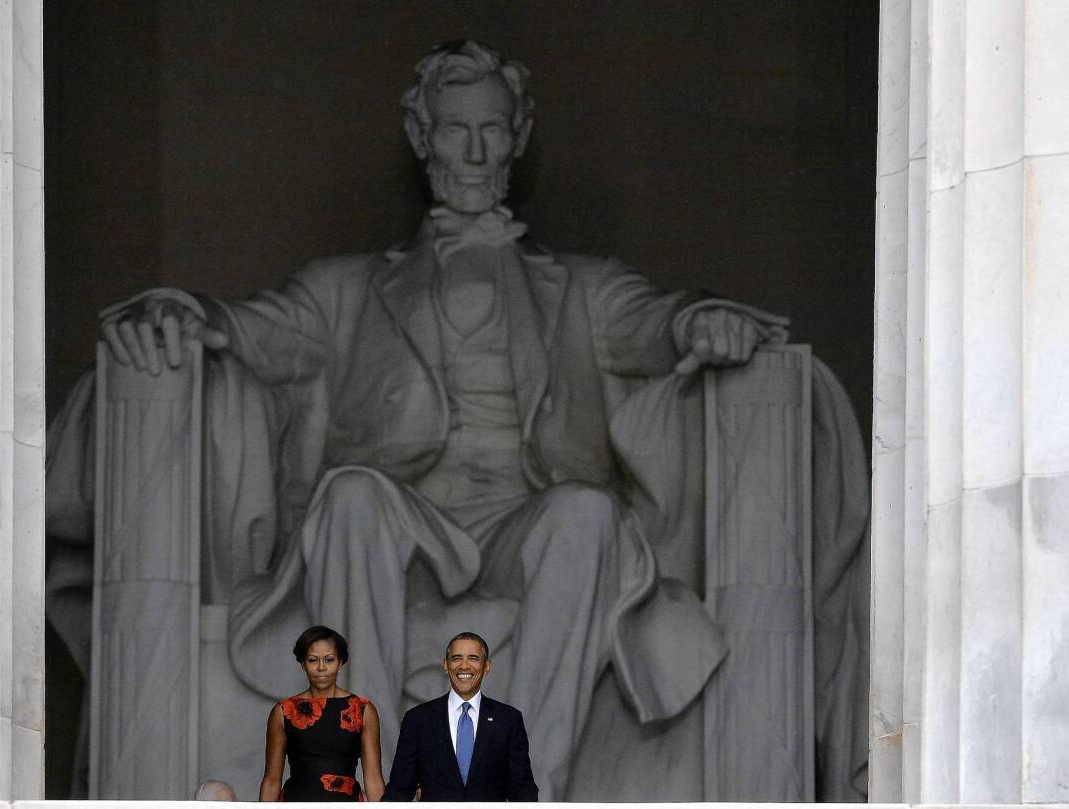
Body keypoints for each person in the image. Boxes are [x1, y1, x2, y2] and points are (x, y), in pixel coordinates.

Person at [49, 38, 868, 801]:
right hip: (400, 530)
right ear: (421, 136)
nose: (474, 153)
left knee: (587, 512)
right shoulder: (344, 289)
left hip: (524, 525)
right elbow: (255, 329)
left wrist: (702, 323)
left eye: (491, 131)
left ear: (518, 139)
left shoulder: (582, 289)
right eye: (454, 131)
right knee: (352, 496)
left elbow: (659, 322)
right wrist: (184, 312)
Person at [384, 633, 536, 802]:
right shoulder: (418, 719)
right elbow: (400, 788)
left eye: (473, 658)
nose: (464, 666)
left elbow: (522, 789)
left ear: (487, 666)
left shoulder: (508, 719)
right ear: (446, 665)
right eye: (456, 658)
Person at [259, 626, 385, 802]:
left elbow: (373, 778)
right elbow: (272, 780)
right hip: (296, 804)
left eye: (329, 660)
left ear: (340, 663)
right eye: (312, 660)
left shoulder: (362, 709)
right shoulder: (284, 711)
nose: (321, 668)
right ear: (303, 664)